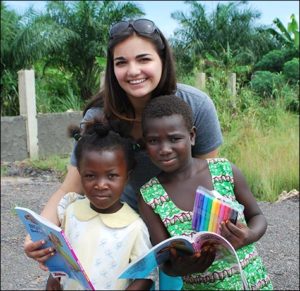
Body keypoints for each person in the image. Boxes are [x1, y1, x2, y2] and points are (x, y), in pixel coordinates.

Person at [24, 18, 222, 276]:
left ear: (162, 59)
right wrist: (37, 234)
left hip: (179, 231)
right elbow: (69, 187)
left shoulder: (196, 106)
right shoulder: (99, 116)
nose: (133, 71)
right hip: (120, 230)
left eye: (143, 59)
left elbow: (208, 182)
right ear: (112, 68)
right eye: (121, 62)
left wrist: (201, 244)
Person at [138, 95, 273, 290]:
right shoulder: (149, 197)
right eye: (153, 141)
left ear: (192, 136)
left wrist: (249, 235)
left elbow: (257, 216)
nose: (164, 149)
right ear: (145, 144)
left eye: (175, 138)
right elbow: (166, 264)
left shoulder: (225, 171)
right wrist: (182, 267)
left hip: (252, 283)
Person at [46, 119, 155, 290]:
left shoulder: (135, 226)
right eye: (90, 176)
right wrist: (54, 277)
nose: (101, 184)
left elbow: (146, 275)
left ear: (127, 176)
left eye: (111, 176)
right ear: (80, 175)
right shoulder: (71, 212)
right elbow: (62, 254)